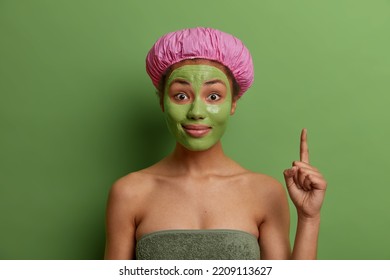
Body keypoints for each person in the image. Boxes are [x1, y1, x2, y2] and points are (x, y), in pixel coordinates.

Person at [104, 27, 327, 260]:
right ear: (162, 101)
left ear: (233, 103)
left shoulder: (265, 192)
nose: (197, 112)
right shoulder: (129, 193)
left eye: (213, 96)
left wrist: (309, 218)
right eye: (181, 95)